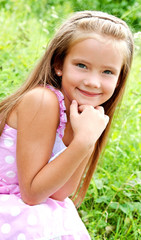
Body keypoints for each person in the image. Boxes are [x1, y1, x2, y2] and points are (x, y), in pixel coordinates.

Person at [0, 10, 134, 240]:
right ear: (59, 64)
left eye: (107, 72)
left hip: (36, 205)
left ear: (119, 78)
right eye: (81, 65)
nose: (93, 81)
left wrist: (87, 138)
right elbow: (32, 194)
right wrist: (82, 143)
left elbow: (59, 193)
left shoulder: (85, 118)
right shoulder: (42, 100)